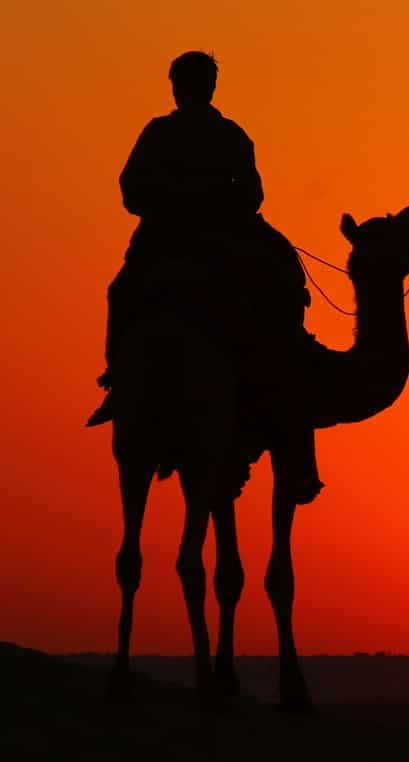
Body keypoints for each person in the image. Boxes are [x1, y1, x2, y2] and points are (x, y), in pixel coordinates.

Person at [90, 51, 322, 504]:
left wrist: (189, 200)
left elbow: (248, 195)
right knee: (123, 291)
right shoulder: (189, 134)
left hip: (203, 240)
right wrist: (190, 199)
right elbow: (135, 189)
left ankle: (120, 380)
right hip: (180, 239)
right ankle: (120, 378)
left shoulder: (209, 135)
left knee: (279, 286)